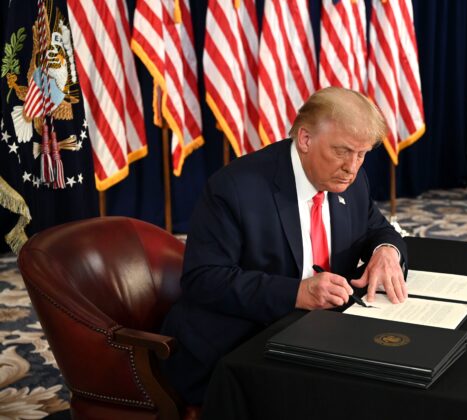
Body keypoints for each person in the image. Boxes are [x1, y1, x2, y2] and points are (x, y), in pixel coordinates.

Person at [160, 87, 408, 404]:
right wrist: (296, 292)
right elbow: (203, 279)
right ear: (305, 139)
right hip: (238, 345)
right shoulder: (235, 188)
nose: (352, 167)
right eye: (342, 151)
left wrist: (387, 251)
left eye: (362, 154)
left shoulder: (352, 180)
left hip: (319, 336)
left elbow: (377, 228)